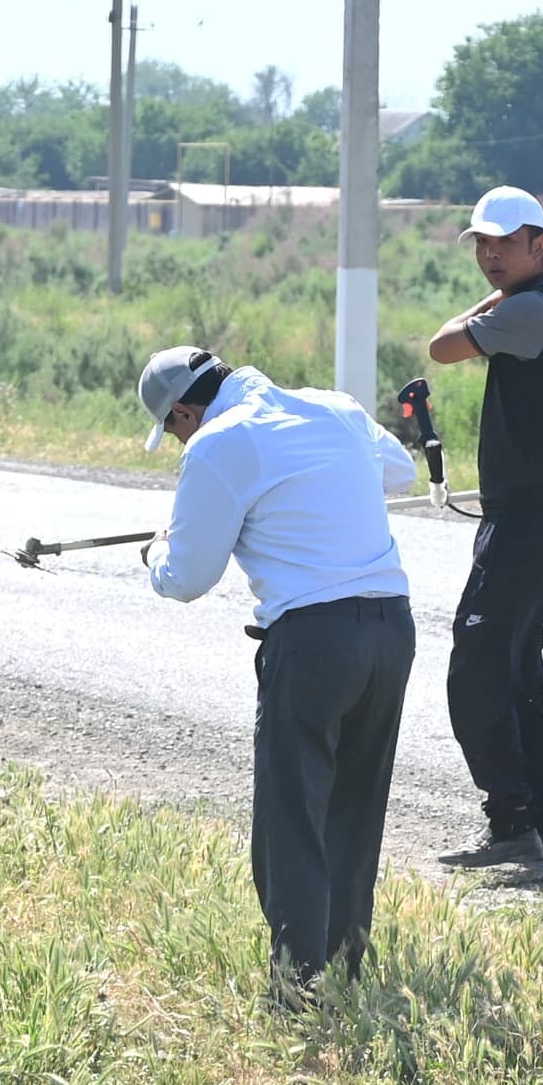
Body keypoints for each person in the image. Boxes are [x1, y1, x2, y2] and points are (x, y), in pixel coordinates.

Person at [138, 341, 425, 996]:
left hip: (314, 641)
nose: (181, 440)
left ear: (183, 412)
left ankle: (297, 986)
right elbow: (400, 472)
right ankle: (344, 975)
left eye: (174, 430)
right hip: (391, 628)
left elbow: (187, 577)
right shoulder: (334, 408)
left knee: (292, 820)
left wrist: (157, 552)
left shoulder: (217, 445)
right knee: (355, 812)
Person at [425, 184, 543, 869]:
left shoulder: (526, 309)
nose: (490, 255)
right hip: (539, 522)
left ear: (538, 245)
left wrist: (487, 303)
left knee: (477, 667)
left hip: (523, 524)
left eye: (505, 243)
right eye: (482, 245)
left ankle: (512, 821)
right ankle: (535, 825)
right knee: (518, 671)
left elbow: (440, 346)